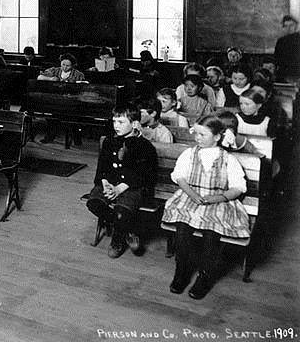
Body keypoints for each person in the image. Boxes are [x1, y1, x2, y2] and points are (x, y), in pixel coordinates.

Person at [163, 115, 250, 299]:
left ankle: (204, 275)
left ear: (217, 137)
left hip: (218, 201)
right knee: (182, 228)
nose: (198, 138)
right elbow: (179, 177)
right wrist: (193, 195)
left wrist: (217, 197)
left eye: (203, 134)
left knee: (212, 232)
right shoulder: (190, 153)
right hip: (190, 197)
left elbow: (238, 187)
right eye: (197, 133)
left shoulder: (228, 159)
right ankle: (182, 271)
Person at [86, 103, 157, 258]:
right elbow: (102, 167)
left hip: (132, 187)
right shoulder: (109, 141)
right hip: (110, 183)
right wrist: (105, 183)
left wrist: (119, 189)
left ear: (135, 124)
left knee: (121, 213)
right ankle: (129, 229)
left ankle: (117, 240)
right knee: (93, 203)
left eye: (121, 122)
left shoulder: (143, 145)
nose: (116, 126)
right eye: (114, 121)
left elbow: (142, 175)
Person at [273, 15, 300, 82]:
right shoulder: (280, 41)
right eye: (286, 26)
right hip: (283, 74)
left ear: (296, 26)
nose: (289, 28)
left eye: (291, 25)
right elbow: (277, 59)